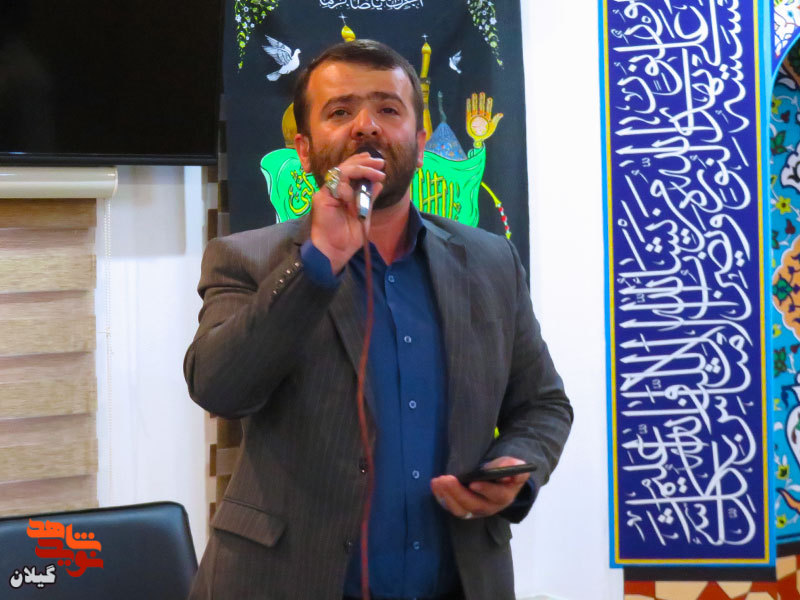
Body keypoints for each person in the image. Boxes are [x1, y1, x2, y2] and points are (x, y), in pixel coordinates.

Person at [184, 39, 573, 600]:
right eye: (340, 111)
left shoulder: (490, 261)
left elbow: (543, 404)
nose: (366, 125)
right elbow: (220, 389)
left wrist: (518, 464)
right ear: (303, 149)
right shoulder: (246, 259)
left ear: (420, 142)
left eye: (388, 109)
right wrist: (317, 262)